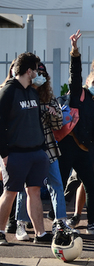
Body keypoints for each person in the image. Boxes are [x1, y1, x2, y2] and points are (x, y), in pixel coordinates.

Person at [61, 31, 94, 234]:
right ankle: (60, 221)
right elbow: (74, 74)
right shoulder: (78, 93)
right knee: (61, 187)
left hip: (83, 149)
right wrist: (75, 51)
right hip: (67, 145)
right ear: (87, 82)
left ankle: (92, 224)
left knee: (91, 187)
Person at [0, 52, 53, 245]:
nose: (38, 73)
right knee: (10, 193)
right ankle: (0, 231)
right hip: (16, 153)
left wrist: (42, 149)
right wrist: (4, 154)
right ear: (28, 71)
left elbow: (36, 121)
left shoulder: (32, 91)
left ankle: (40, 234)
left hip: (36, 152)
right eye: (36, 69)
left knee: (35, 192)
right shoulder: (8, 91)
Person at [13, 63, 66, 239]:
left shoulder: (48, 97)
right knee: (25, 188)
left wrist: (54, 114)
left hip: (47, 148)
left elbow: (58, 125)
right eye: (37, 73)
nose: (40, 76)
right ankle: (20, 223)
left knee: (56, 184)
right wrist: (43, 109)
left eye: (43, 73)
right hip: (26, 149)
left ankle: (60, 221)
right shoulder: (23, 94)